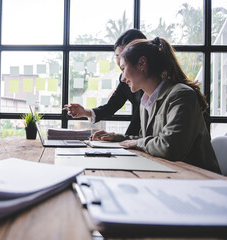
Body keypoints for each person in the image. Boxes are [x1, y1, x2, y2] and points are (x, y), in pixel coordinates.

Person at [91, 37, 221, 174]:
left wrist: (136, 143)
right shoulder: (146, 100)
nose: (122, 78)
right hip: (168, 174)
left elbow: (169, 147)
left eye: (123, 69)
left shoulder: (181, 95)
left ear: (142, 63)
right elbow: (147, 141)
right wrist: (116, 138)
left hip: (198, 179)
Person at [64, 29, 146, 136]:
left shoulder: (162, 90)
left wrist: (122, 139)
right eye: (117, 55)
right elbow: (111, 106)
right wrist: (85, 112)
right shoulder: (124, 79)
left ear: (141, 62)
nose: (120, 59)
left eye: (124, 54)